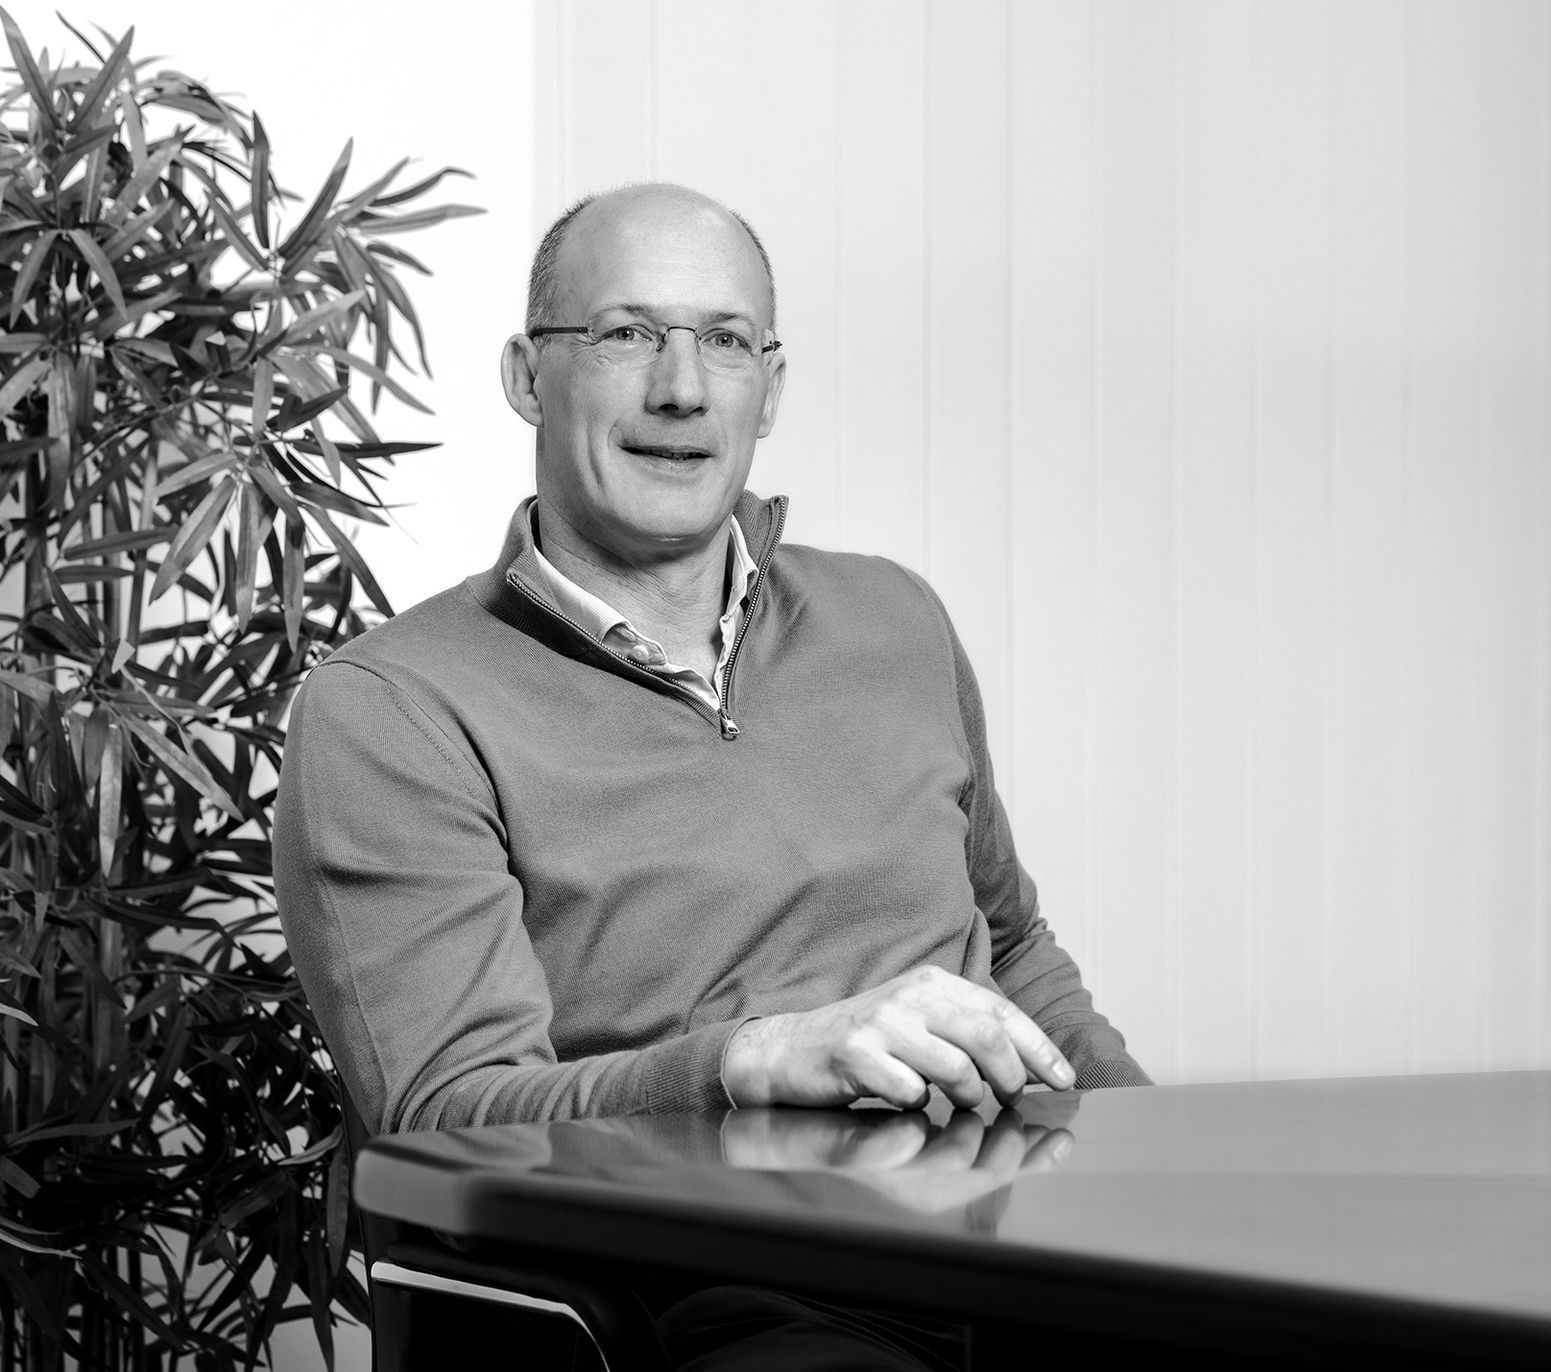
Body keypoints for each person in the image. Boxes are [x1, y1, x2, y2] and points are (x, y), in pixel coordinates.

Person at [274, 183, 1146, 1140]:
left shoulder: (896, 618)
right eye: (626, 334)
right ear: (528, 378)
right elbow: (453, 1117)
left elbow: (1013, 954)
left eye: (726, 341)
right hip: (699, 1278)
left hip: (1003, 1252)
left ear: (768, 392)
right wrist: (754, 1059)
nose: (681, 388)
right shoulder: (394, 712)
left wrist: (1168, 1164)